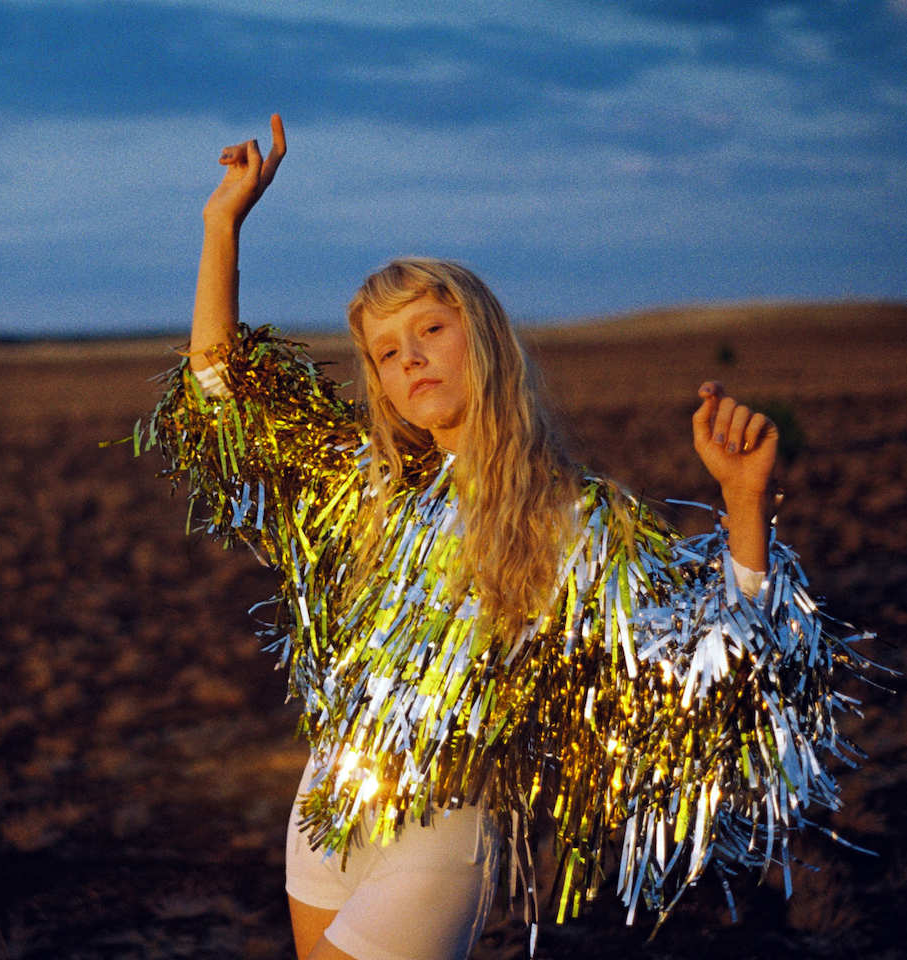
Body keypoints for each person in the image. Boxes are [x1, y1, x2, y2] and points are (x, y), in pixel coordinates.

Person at [137, 115, 869, 960]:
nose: (410, 358)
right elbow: (220, 394)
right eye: (385, 352)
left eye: (429, 329)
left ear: (481, 336)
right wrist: (221, 223)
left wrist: (741, 503)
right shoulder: (366, 486)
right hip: (322, 813)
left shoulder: (575, 518)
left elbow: (708, 668)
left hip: (438, 843)